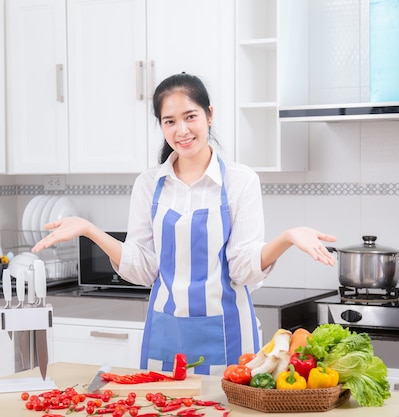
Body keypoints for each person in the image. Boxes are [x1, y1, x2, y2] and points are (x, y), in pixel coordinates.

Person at [32, 73, 337, 375]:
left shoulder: (240, 181)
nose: (182, 130)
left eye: (190, 116)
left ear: (209, 115)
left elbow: (242, 267)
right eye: (169, 121)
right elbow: (144, 268)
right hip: (166, 334)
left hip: (228, 333)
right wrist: (90, 230)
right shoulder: (148, 184)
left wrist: (286, 238)